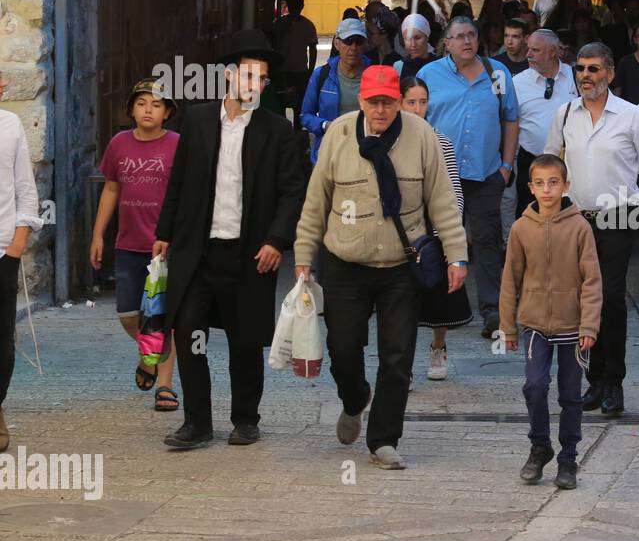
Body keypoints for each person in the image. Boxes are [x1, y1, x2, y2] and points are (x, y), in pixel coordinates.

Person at [295, 66, 468, 470]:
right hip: (345, 262)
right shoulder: (338, 134)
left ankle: (384, 440)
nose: (380, 109)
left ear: (398, 100)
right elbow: (316, 201)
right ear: (361, 101)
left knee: (397, 357)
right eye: (373, 102)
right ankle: (354, 400)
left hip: (400, 265)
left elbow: (442, 199)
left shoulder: (422, 137)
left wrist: (456, 255)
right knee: (342, 348)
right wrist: (304, 257)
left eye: (388, 102)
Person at [153, 29, 307, 449]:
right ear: (228, 77)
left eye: (261, 80)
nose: (253, 86)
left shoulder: (277, 131)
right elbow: (178, 180)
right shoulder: (199, 121)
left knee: (245, 339)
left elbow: (293, 190)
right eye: (247, 77)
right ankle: (197, 422)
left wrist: (277, 239)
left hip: (250, 253)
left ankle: (246, 419)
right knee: (189, 335)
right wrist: (164, 233)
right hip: (198, 251)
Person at [544, 42, 639, 416]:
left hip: (617, 218)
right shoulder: (564, 114)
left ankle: (614, 385)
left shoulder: (632, 116)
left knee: (611, 300)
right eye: (580, 69)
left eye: (593, 69)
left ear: (610, 73)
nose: (586, 76)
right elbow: (549, 167)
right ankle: (593, 381)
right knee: (581, 303)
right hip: (574, 219)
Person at [501, 154, 602, 489]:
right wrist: (508, 325)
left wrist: (589, 325)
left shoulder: (579, 227)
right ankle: (539, 445)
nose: (547, 190)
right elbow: (510, 279)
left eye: (554, 182)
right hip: (534, 325)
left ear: (565, 186)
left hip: (573, 327)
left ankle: (568, 458)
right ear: (530, 188)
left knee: (571, 394)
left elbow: (592, 280)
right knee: (535, 385)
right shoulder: (520, 228)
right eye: (540, 183)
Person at [418, 16, 520, 339]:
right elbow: (414, 118)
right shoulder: (428, 75)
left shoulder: (497, 73)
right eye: (459, 36)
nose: (466, 42)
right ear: (446, 43)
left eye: (471, 36)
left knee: (488, 241)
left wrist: (506, 166)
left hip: (486, 172)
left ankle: (491, 310)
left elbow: (511, 119)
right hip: (440, 174)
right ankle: (441, 308)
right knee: (439, 241)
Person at [91, 78, 183, 411]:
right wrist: (98, 234)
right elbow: (111, 189)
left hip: (164, 247)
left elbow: (186, 193)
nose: (148, 110)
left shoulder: (176, 144)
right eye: (142, 103)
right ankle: (149, 354)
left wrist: (177, 236)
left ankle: (165, 384)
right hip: (128, 245)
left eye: (156, 104)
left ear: (167, 112)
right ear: (131, 109)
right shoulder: (119, 144)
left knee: (161, 317)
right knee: (129, 316)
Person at [399, 77, 473, 380]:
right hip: (401, 230)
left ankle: (438, 347)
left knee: (439, 295)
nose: (418, 108)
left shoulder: (440, 139)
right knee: (401, 299)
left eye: (422, 101)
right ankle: (400, 361)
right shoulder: (390, 139)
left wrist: (451, 240)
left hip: (434, 228)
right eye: (411, 102)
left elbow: (454, 190)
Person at [0, 99, 42, 453]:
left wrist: (17, 244)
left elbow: (25, 188)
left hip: (2, 249)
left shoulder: (10, 124)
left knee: (2, 340)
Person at [513, 29, 577, 219]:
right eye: (528, 49)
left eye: (535, 50)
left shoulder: (576, 76)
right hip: (530, 164)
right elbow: (508, 123)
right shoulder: (517, 83)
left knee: (567, 219)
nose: (528, 55)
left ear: (552, 52)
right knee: (530, 218)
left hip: (570, 165)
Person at [301, 17, 370, 164]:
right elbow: (306, 115)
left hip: (365, 157)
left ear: (365, 45)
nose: (353, 47)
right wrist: (325, 125)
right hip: (330, 156)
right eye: (348, 41)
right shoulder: (322, 75)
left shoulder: (374, 76)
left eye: (358, 41)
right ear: (337, 43)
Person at [272, 0, 318, 129]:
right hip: (300, 72)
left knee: (281, 105)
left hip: (283, 71)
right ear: (302, 6)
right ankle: (297, 134)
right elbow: (313, 50)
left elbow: (273, 46)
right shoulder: (308, 25)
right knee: (299, 107)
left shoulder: (279, 24)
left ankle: (284, 132)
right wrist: (310, 70)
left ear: (288, 6)